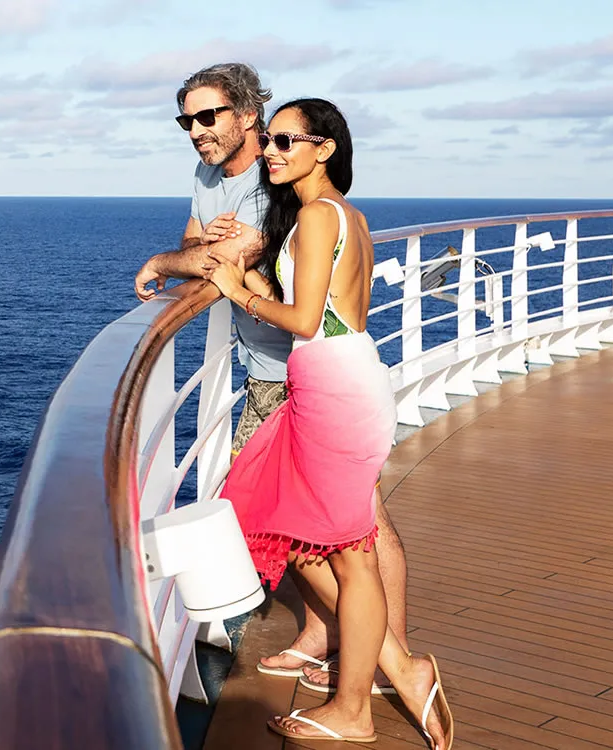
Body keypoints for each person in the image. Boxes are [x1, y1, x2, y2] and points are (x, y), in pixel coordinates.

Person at [135, 62, 413, 697]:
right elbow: (200, 245)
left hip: (303, 373)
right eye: (187, 119)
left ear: (248, 118)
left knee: (348, 525)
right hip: (278, 372)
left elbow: (225, 260)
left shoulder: (275, 182)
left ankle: (386, 658)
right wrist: (201, 254)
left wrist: (169, 261)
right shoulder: (211, 175)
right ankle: (338, 638)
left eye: (209, 117)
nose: (196, 130)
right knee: (325, 524)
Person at [206, 98, 453, 748]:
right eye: (270, 141)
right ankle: (400, 668)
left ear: (326, 148)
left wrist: (239, 291)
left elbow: (306, 319)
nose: (272, 152)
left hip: (335, 386)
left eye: (287, 140)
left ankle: (358, 708)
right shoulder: (347, 215)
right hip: (340, 380)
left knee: (347, 556)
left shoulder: (318, 217)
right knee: (278, 517)